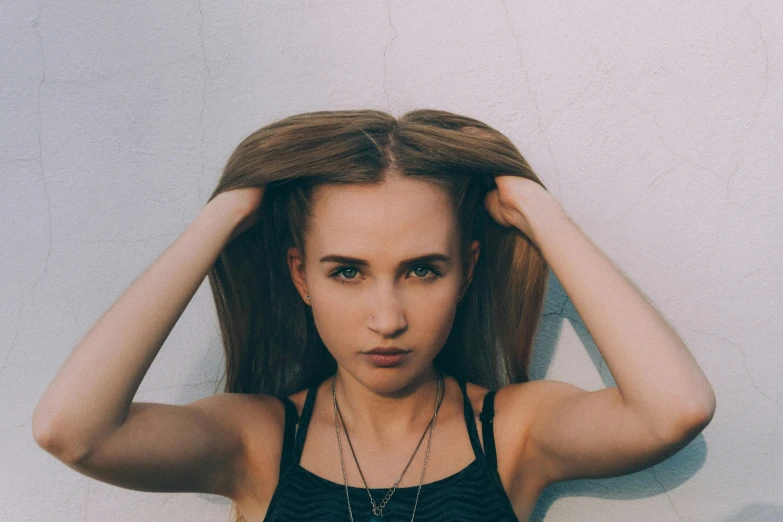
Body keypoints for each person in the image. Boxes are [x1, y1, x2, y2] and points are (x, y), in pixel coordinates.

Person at [32, 109, 716, 522]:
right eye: (347, 272)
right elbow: (72, 430)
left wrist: (542, 215)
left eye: (422, 269)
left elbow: (674, 410)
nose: (385, 318)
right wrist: (223, 216)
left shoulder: (512, 432)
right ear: (300, 275)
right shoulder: (258, 439)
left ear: (467, 270)